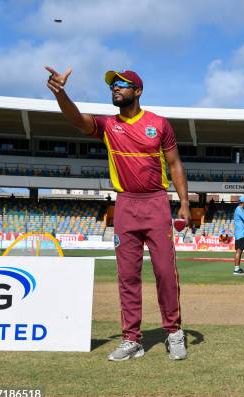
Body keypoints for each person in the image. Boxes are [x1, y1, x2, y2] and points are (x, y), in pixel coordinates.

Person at [45, 67, 191, 362]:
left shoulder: (159, 124)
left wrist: (185, 203)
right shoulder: (108, 125)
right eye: (113, 85)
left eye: (122, 85)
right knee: (127, 276)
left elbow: (175, 164)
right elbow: (76, 119)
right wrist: (61, 93)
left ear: (137, 91)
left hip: (156, 203)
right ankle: (131, 339)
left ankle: (174, 332)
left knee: (165, 272)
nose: (116, 88)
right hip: (125, 204)